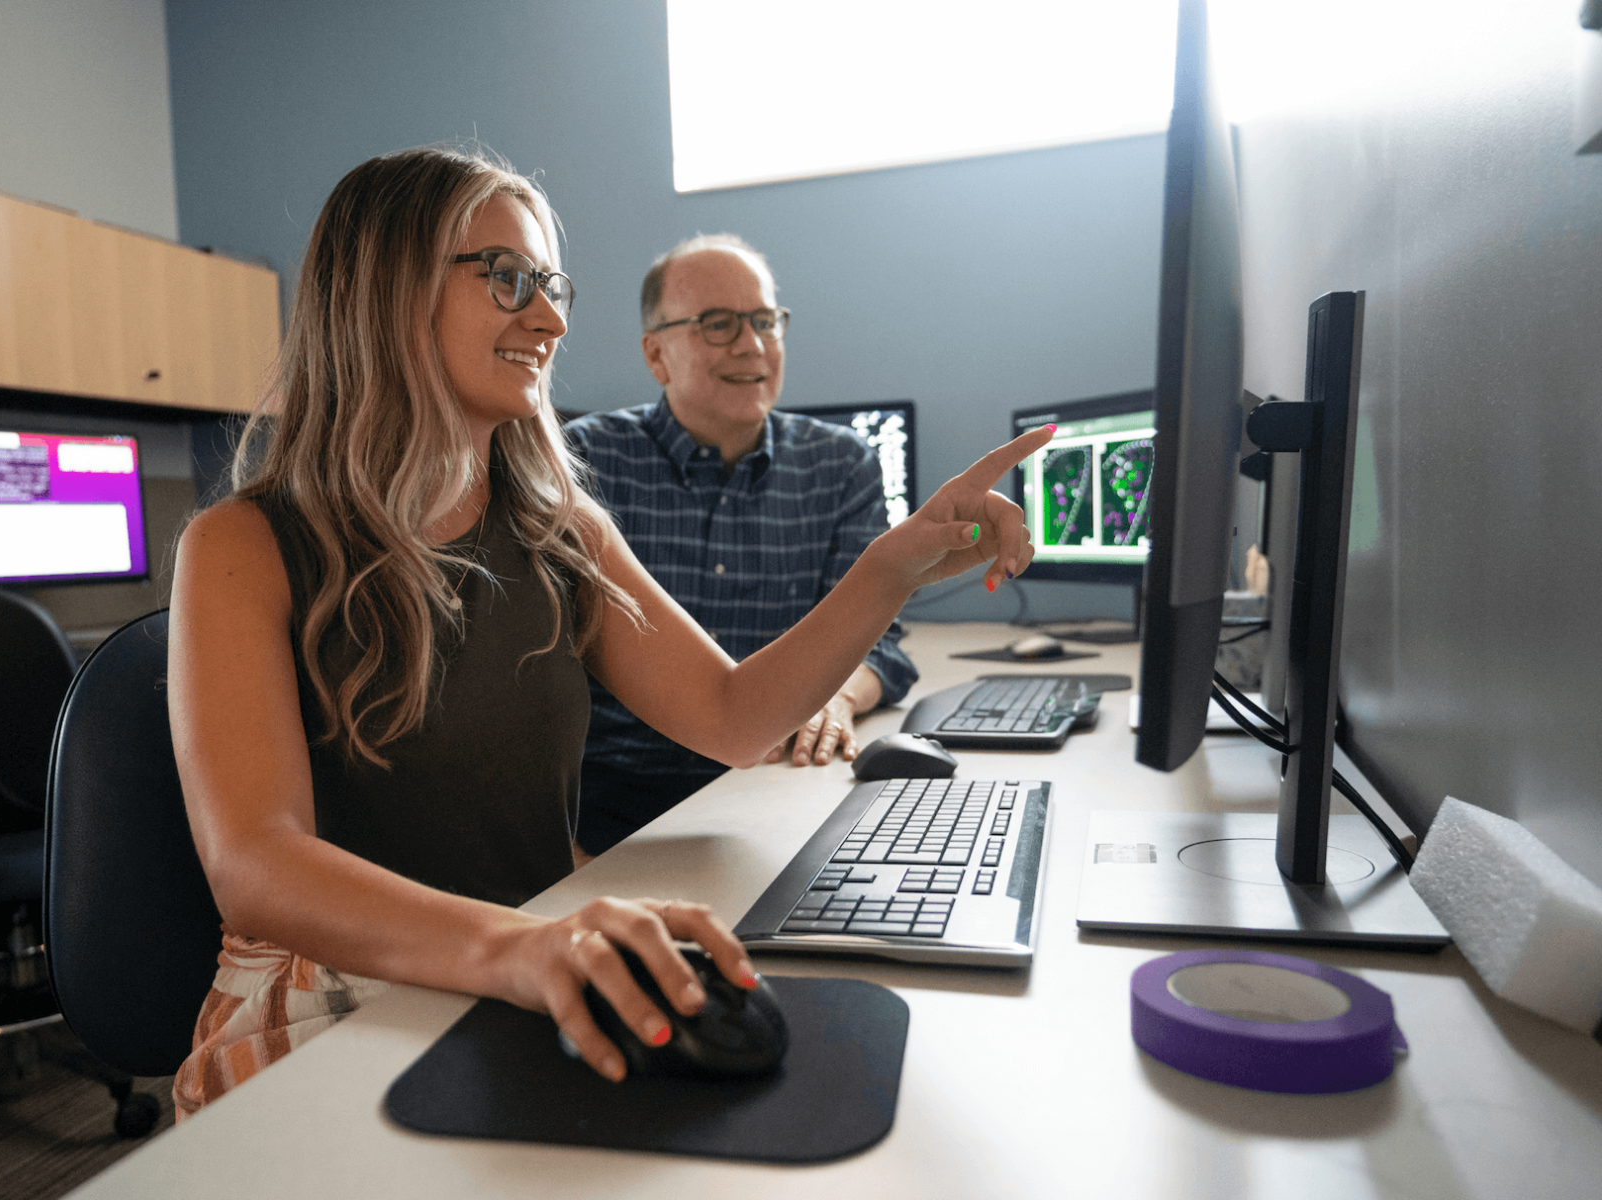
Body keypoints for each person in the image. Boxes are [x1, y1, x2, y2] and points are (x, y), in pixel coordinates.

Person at [165, 145, 1052, 1117]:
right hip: (331, 984)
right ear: (384, 290)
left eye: (550, 285)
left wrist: (891, 567)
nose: (546, 318)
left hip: (525, 958)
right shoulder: (243, 544)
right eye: (506, 279)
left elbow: (730, 717)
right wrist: (521, 945)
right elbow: (256, 864)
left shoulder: (558, 528)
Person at [563, 234, 917, 856]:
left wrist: (835, 699)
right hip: (614, 798)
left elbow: (880, 644)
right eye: (718, 325)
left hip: (781, 779)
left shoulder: (839, 464)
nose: (751, 345)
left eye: (764, 322)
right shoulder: (584, 460)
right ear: (656, 355)